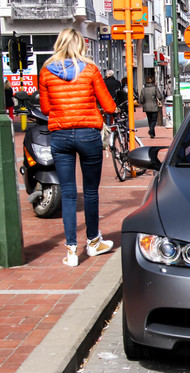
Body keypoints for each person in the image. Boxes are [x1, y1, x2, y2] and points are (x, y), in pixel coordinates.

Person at [39, 28, 117, 267]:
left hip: (60, 135)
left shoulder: (46, 71)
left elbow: (45, 108)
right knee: (91, 192)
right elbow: (109, 106)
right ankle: (93, 242)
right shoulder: (91, 69)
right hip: (87, 135)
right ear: (82, 45)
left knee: (69, 194)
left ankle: (72, 251)